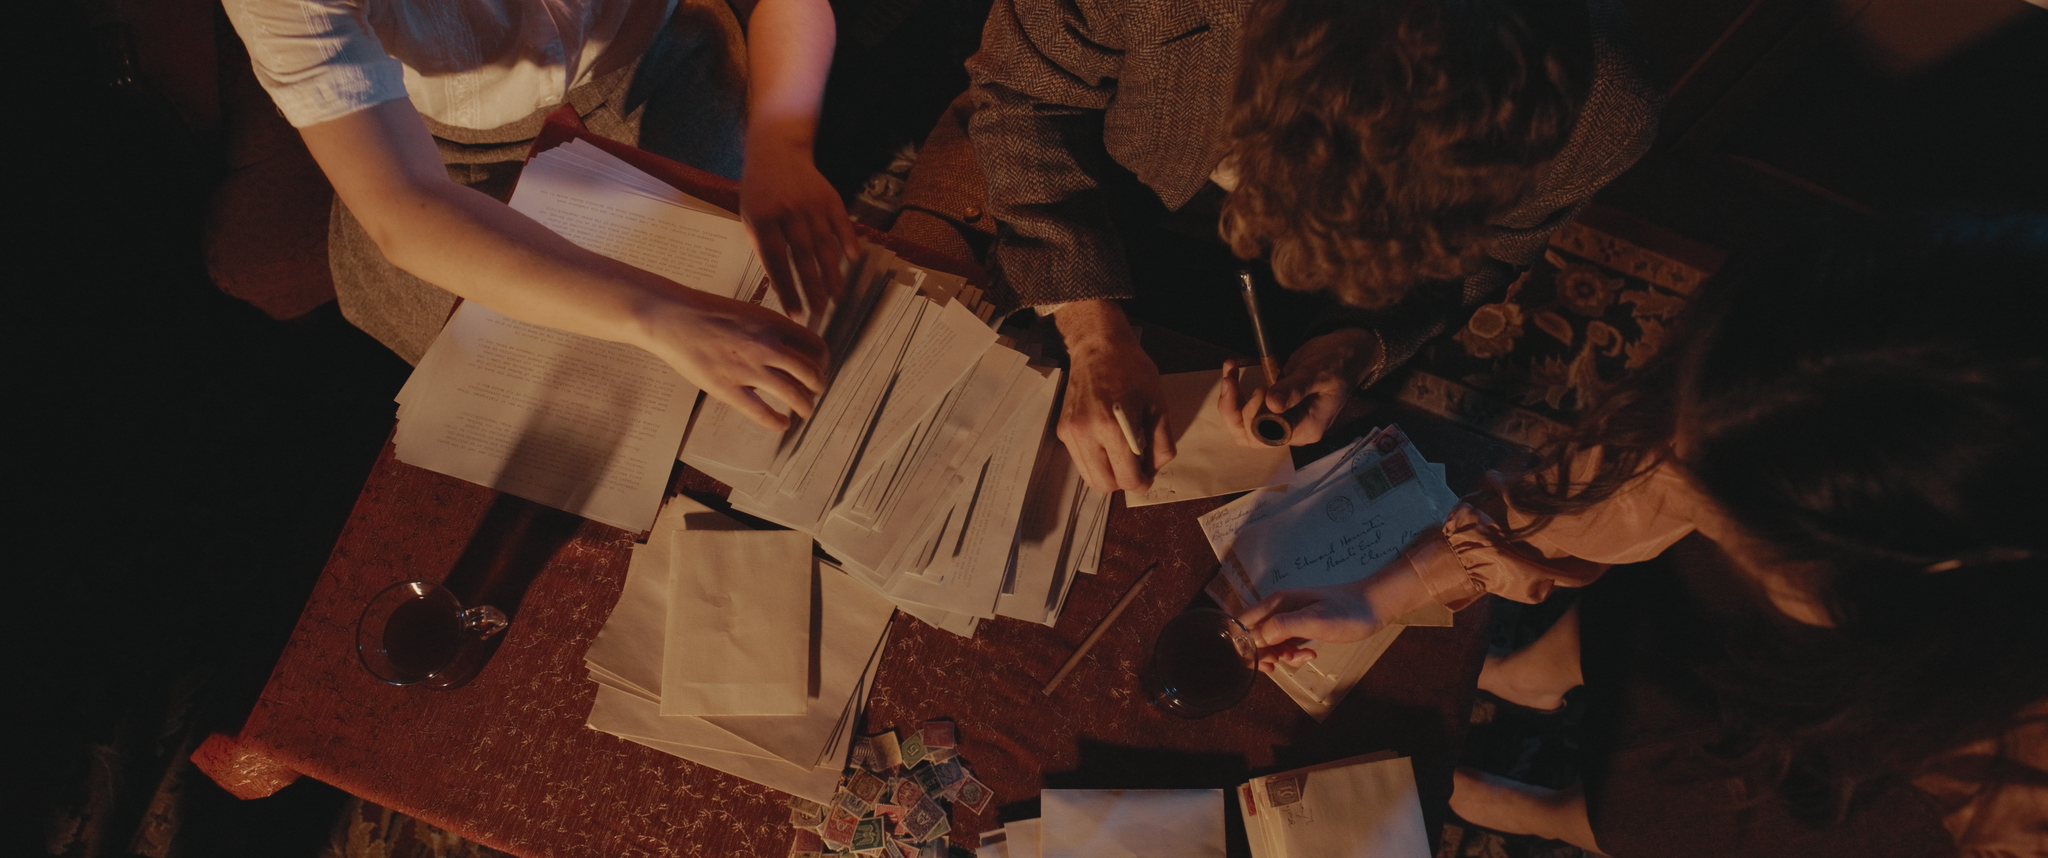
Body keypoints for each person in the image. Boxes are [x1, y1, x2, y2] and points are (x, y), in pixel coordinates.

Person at [1237, 213, 2048, 856]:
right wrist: (1377, 595)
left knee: (1666, 824)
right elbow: (1620, 489)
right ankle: (1533, 679)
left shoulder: (2007, 778)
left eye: (1732, 526)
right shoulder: (1804, 399)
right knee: (1650, 615)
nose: (1677, 492)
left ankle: (1552, 814)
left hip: (1888, 748)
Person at [923, 0, 1660, 494]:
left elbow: (1484, 255)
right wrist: (1089, 329)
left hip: (1310, 306)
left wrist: (1356, 343)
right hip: (1095, 169)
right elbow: (1026, 95)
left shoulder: (1603, 113)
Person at [221, 0, 858, 430]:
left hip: (656, 55)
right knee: (552, 392)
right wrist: (657, 314)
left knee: (748, 312)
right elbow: (403, 207)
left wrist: (782, 145)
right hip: (442, 145)